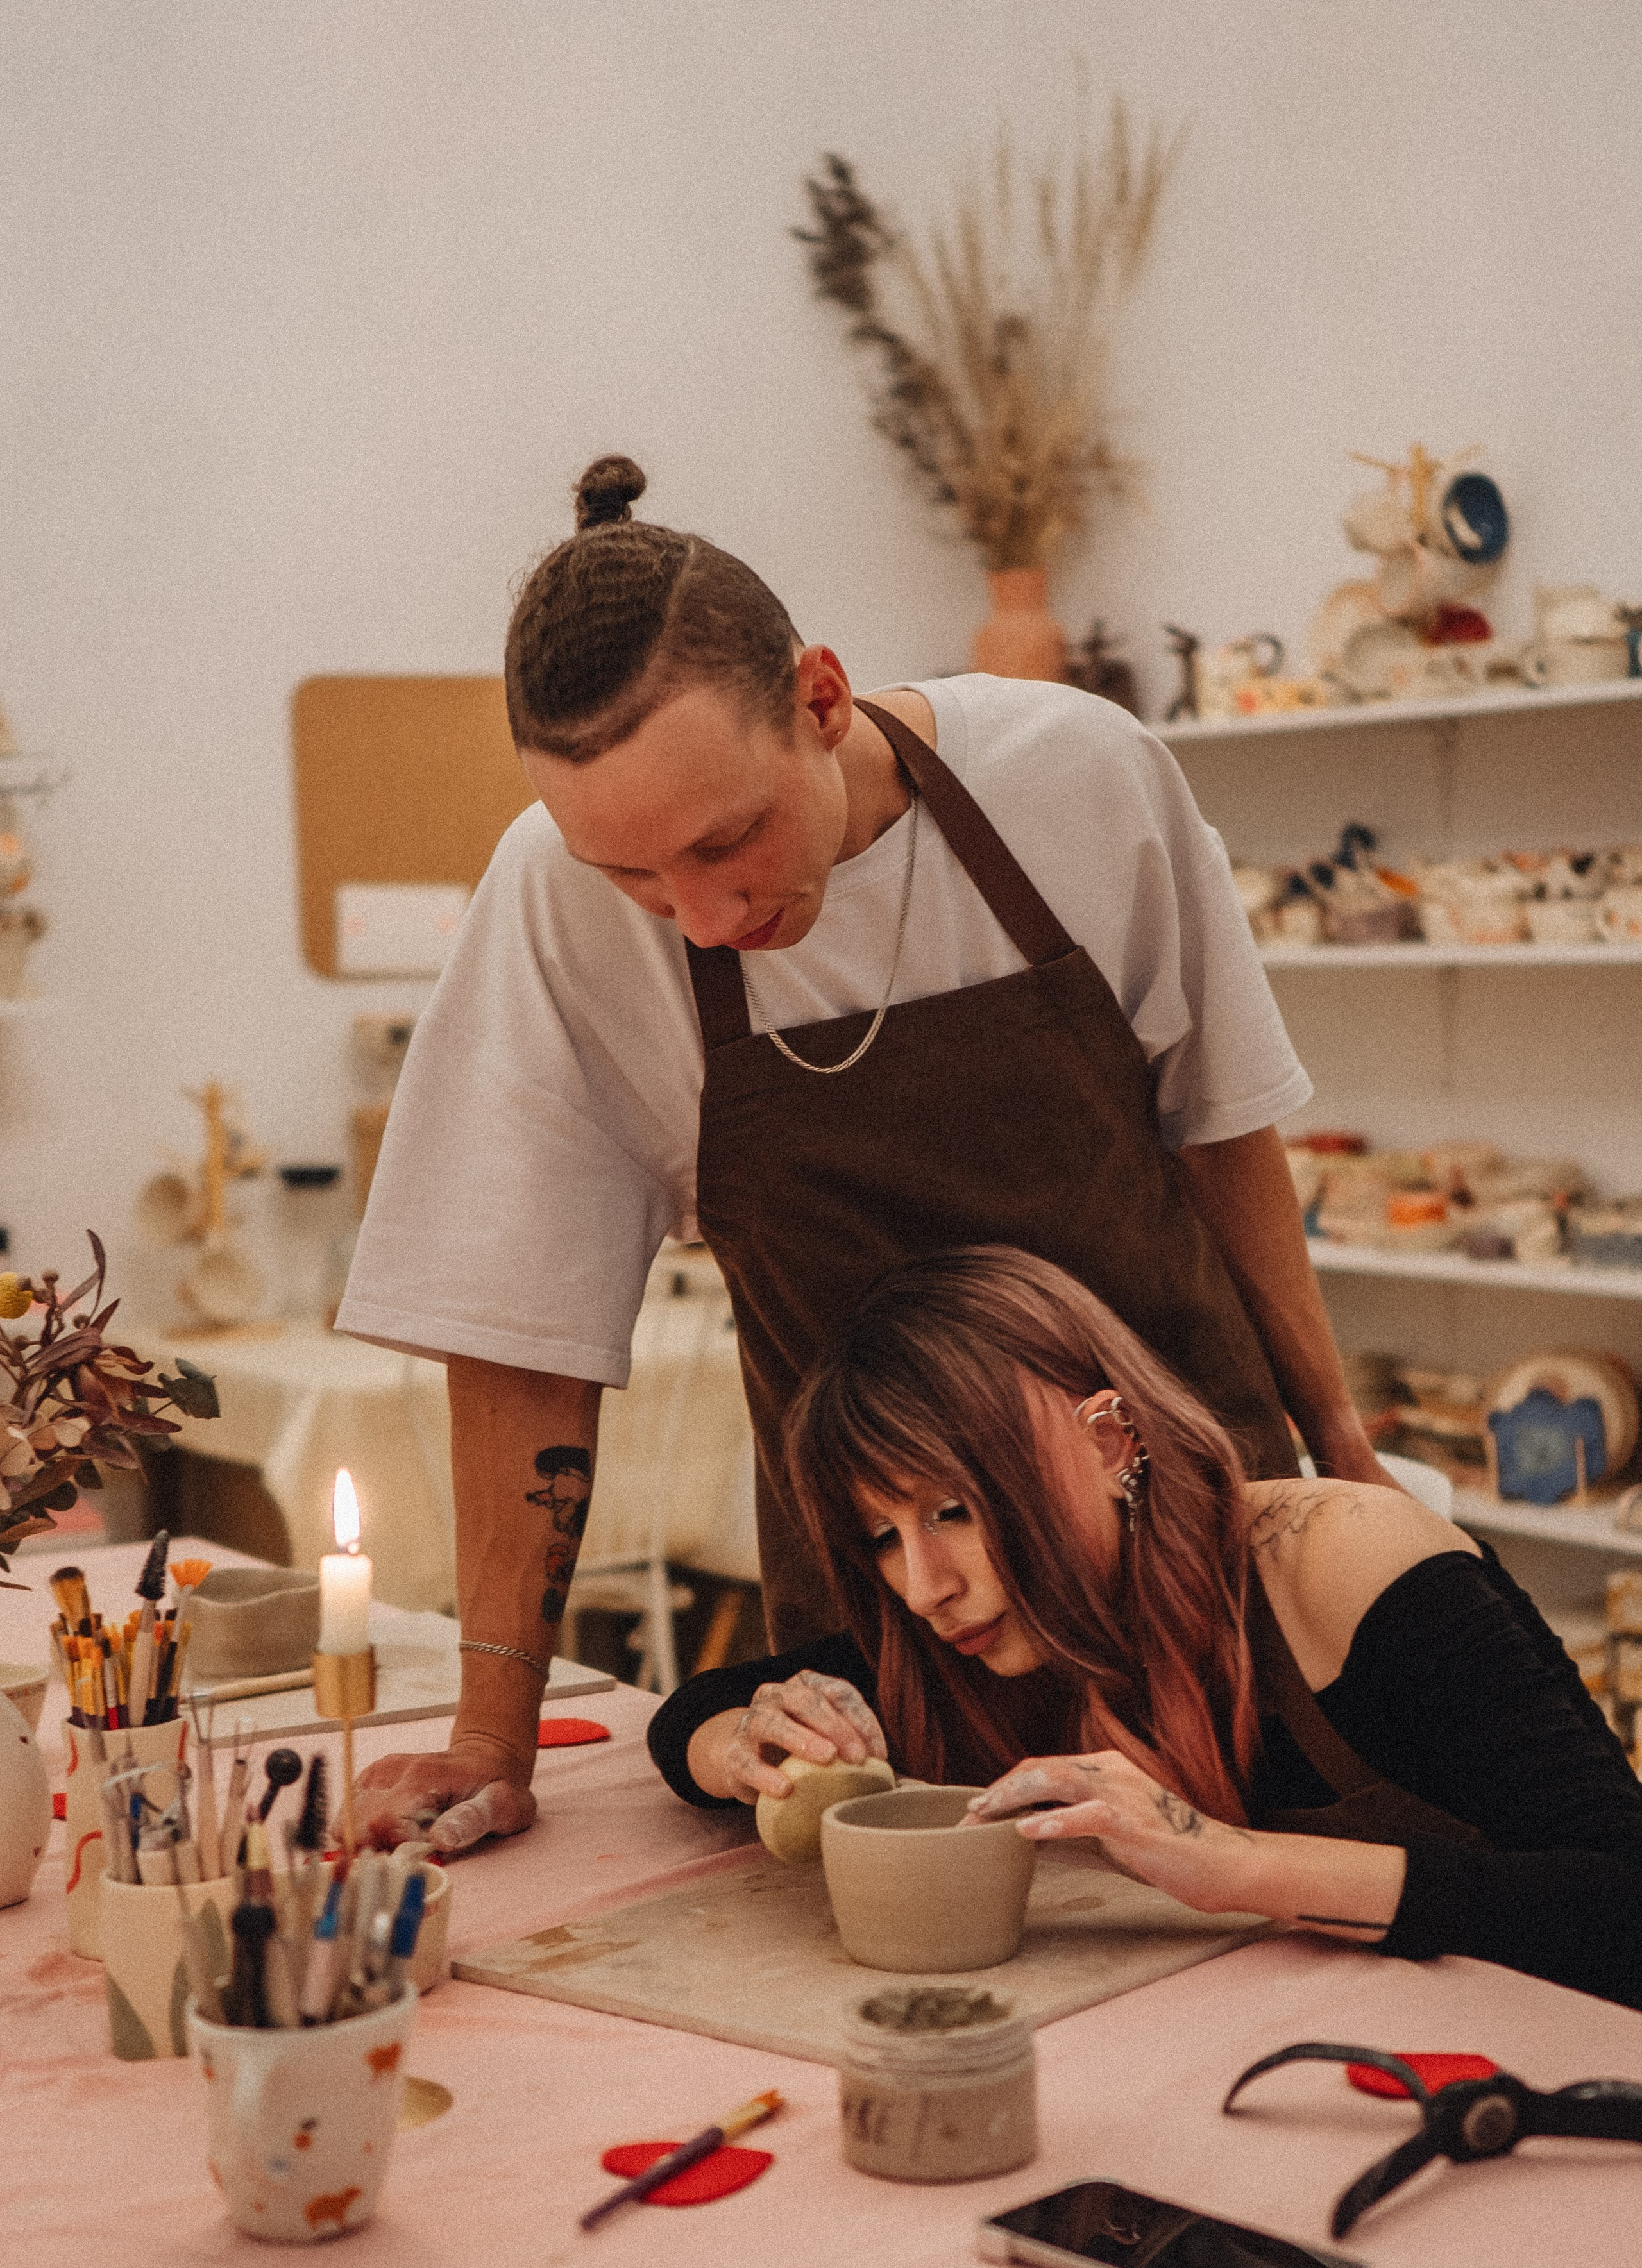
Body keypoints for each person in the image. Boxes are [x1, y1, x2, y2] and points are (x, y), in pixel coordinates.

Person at [339, 453, 1388, 1854]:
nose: (700, 918)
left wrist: (1341, 1449)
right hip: (900, 1629)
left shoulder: (1079, 777)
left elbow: (1222, 1134)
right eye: (631, 876)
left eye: (727, 842)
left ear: (821, 700)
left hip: (1203, 1557)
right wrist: (490, 1736)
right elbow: (520, 1331)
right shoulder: (551, 902)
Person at [650, 1248, 1642, 2011]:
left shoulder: (1338, 1561)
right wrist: (745, 1747)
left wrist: (1234, 1865)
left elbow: (1621, 1902)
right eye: (882, 1535)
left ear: (1110, 1441)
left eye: (953, 1510)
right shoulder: (983, 1631)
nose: (921, 1587)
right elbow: (693, 1713)